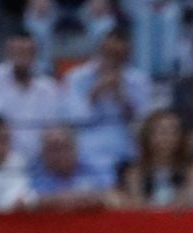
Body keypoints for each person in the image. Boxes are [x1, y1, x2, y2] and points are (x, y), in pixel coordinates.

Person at [61, 25, 152, 186]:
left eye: (117, 55)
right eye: (108, 52)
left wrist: (121, 96)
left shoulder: (140, 80)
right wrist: (94, 93)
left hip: (125, 149)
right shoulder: (76, 77)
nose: (112, 59)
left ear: (127, 54)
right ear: (100, 49)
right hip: (87, 149)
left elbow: (143, 124)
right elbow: (74, 119)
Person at [0, 32, 65, 158]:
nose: (22, 57)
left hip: (39, 162)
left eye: (28, 52)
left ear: (36, 54)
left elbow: (52, 126)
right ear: (8, 52)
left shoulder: (48, 86)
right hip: (1, 157)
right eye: (18, 52)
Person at [29, 124, 117, 208]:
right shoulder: (34, 173)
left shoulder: (91, 168)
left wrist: (90, 198)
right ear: (43, 152)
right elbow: (30, 202)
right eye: (54, 148)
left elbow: (112, 196)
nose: (61, 153)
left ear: (75, 147)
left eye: (65, 146)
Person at [121, 108, 188, 207]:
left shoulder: (191, 172)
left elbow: (188, 202)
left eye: (174, 131)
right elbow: (136, 204)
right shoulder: (135, 174)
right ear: (148, 136)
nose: (168, 137)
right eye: (163, 131)